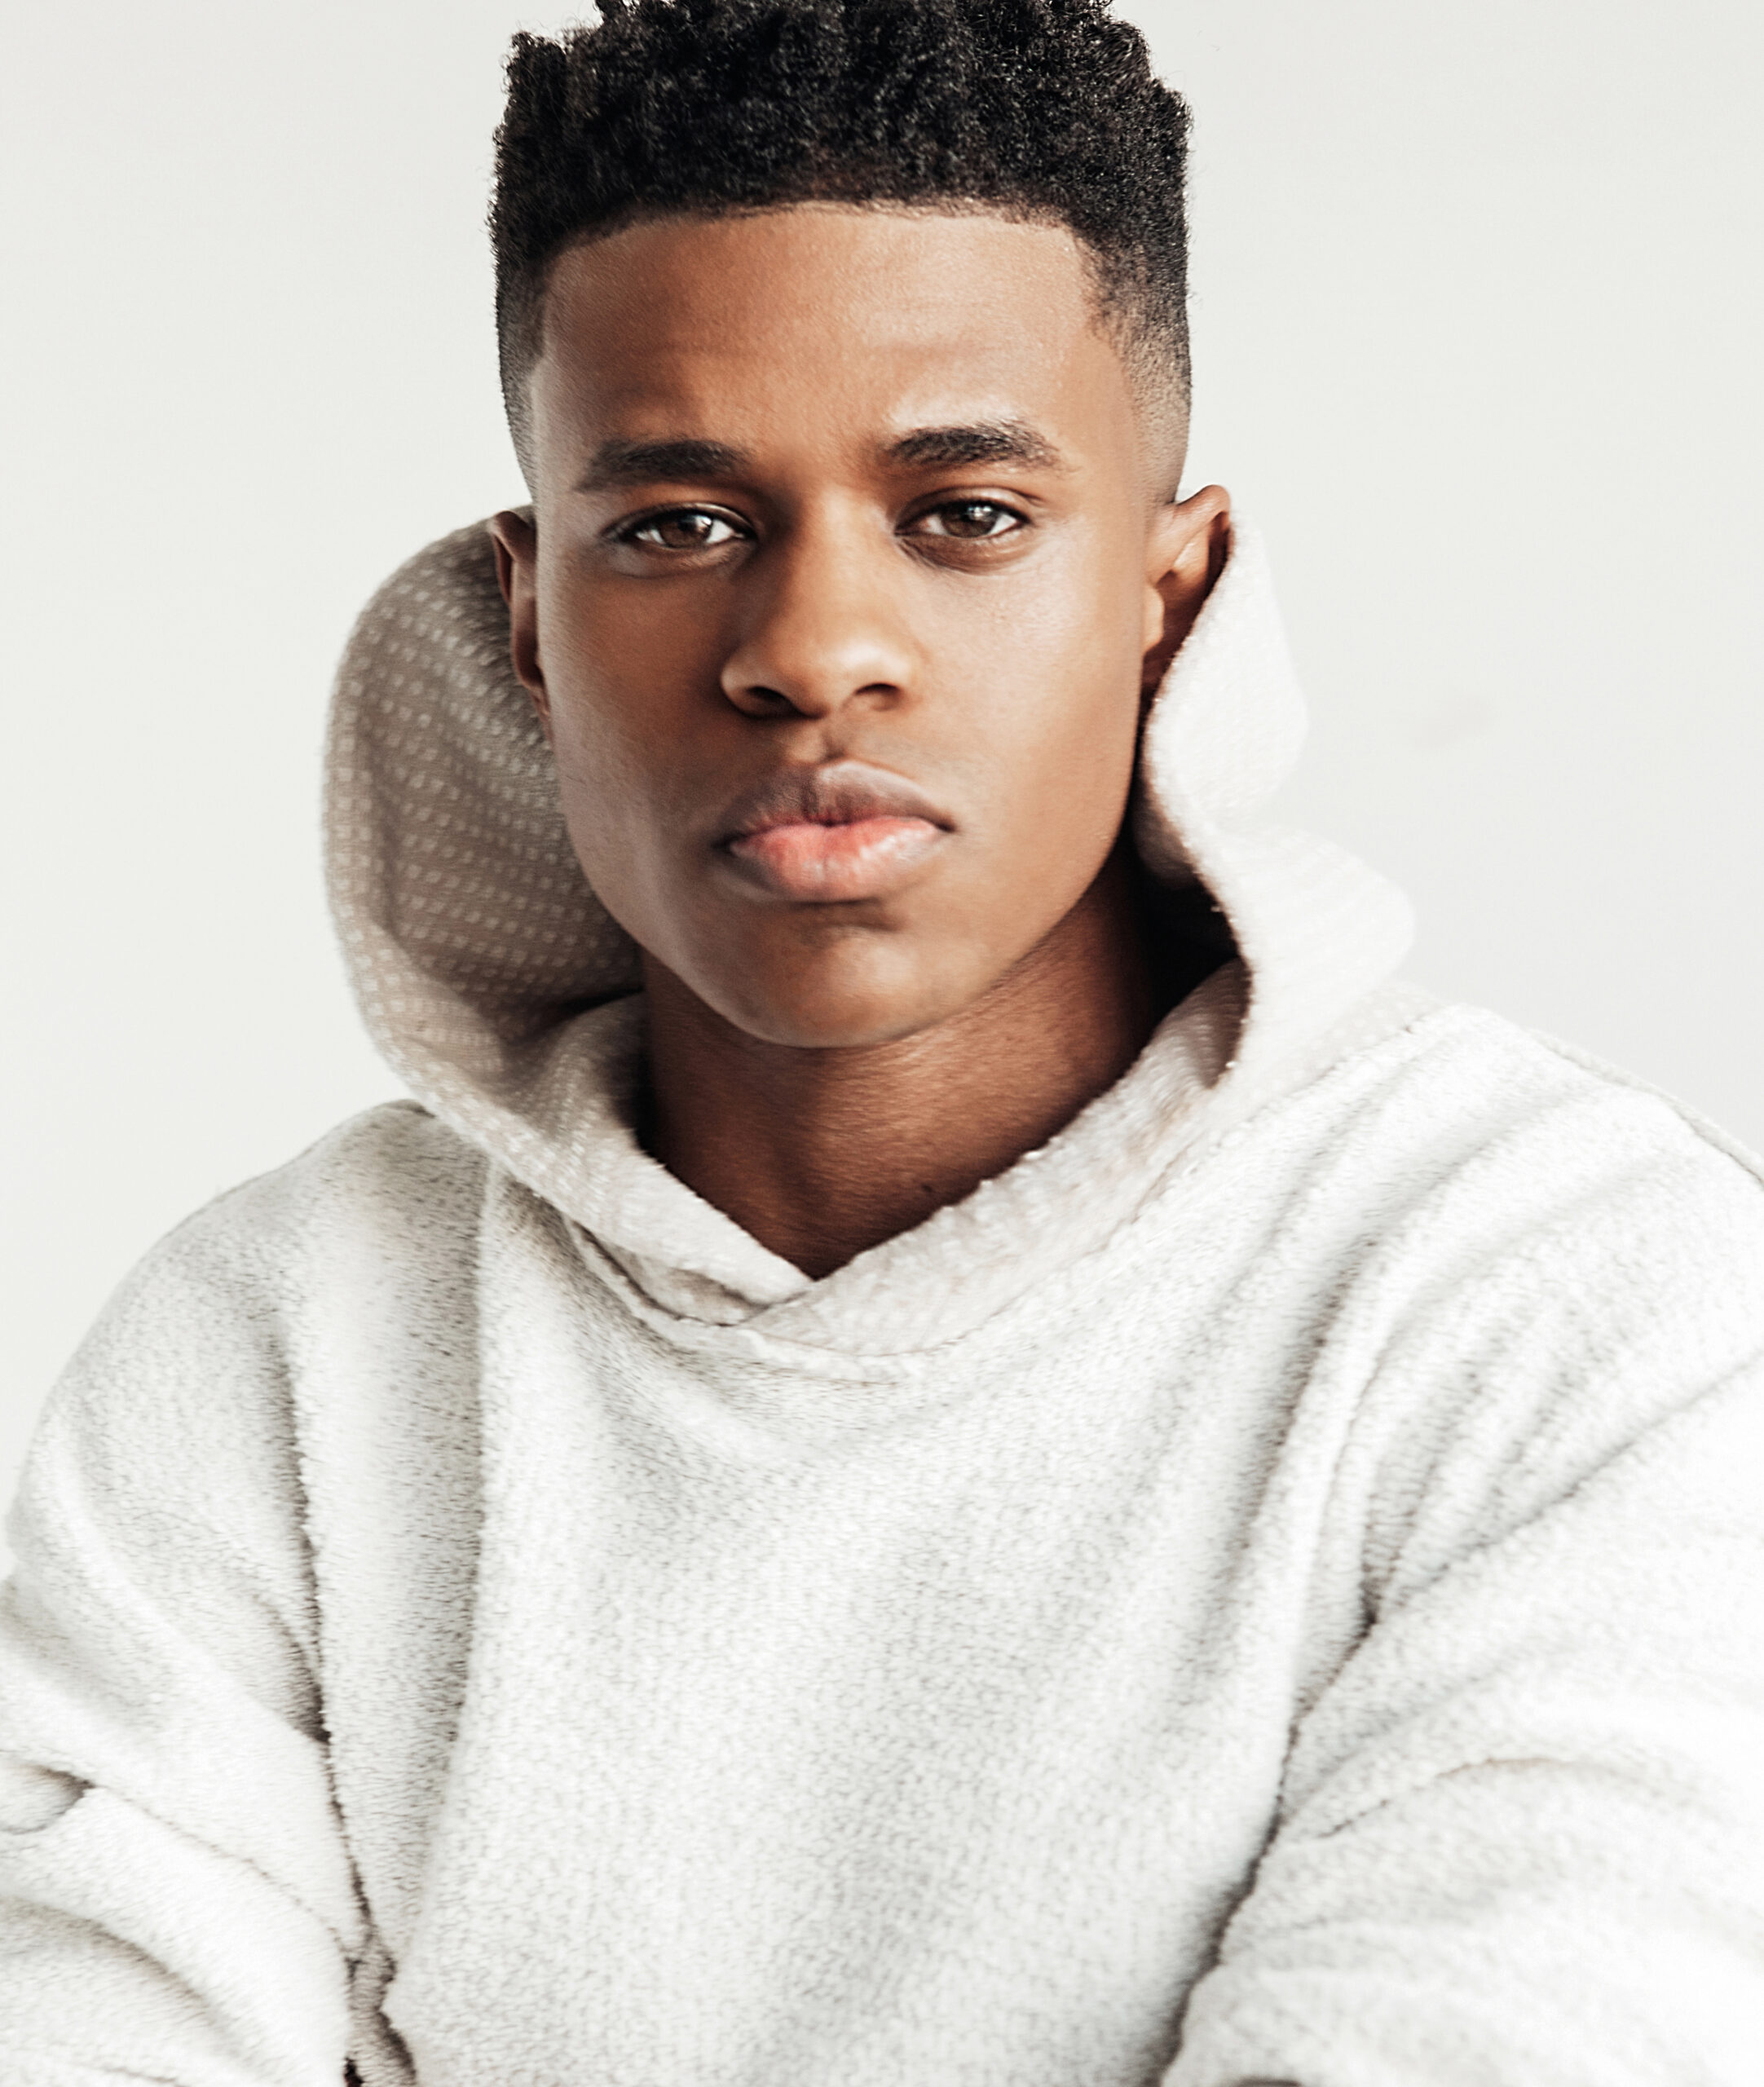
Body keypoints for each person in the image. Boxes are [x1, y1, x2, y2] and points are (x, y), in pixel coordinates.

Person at [2, 0, 1760, 2079]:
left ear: (1170, 592)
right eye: (676, 523)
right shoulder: (270, 1349)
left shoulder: (1566, 1298)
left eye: (967, 513)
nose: (814, 648)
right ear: (529, 618)